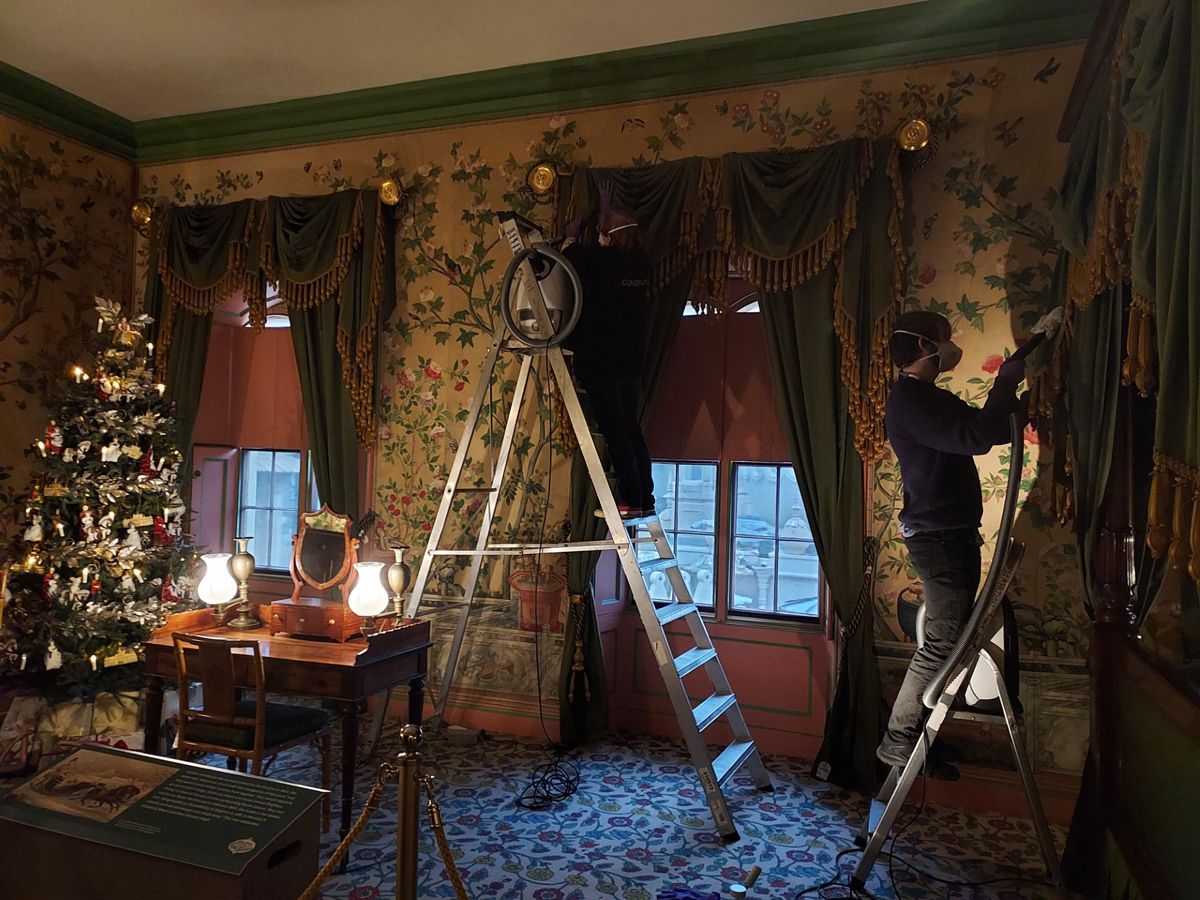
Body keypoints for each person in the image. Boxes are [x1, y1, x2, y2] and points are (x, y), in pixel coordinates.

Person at [877, 310, 1025, 769]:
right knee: (942, 644)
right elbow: (977, 437)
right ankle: (900, 739)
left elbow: (992, 430)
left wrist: (1022, 398)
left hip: (948, 534)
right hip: (938, 537)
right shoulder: (910, 400)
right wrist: (1005, 381)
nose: (951, 346)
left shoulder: (926, 398)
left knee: (951, 639)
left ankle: (920, 729)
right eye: (945, 339)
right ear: (924, 346)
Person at [561, 181, 655, 518]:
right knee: (630, 428)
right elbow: (604, 250)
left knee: (615, 431)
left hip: (601, 361)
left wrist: (572, 235)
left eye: (603, 231)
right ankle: (645, 498)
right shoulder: (640, 263)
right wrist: (604, 209)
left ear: (609, 237)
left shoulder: (601, 261)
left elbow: (572, 257)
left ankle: (631, 500)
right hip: (629, 363)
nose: (599, 235)